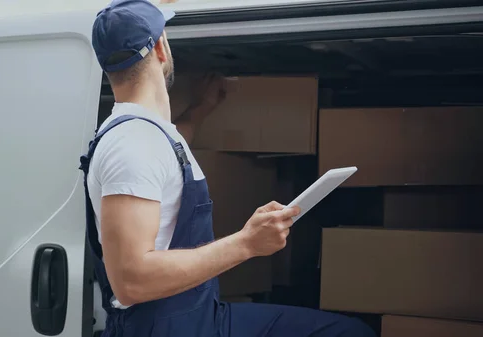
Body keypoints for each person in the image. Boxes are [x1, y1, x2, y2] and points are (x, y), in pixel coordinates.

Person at [79, 1, 377, 336]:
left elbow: (166, 159)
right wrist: (247, 243)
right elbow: (130, 281)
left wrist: (202, 109)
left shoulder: (148, 135)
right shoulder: (133, 144)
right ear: (162, 46)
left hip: (197, 316)